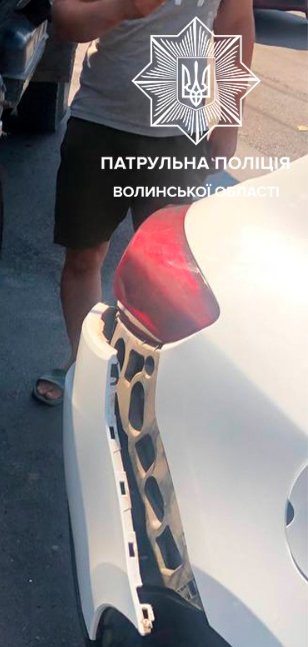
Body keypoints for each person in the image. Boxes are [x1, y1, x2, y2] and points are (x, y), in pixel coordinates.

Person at [32, 0, 255, 405]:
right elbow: (65, 20)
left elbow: (236, 23)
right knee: (83, 259)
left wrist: (229, 118)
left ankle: (144, 384)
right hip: (101, 122)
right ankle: (85, 368)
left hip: (179, 133)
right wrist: (124, 7)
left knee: (166, 276)